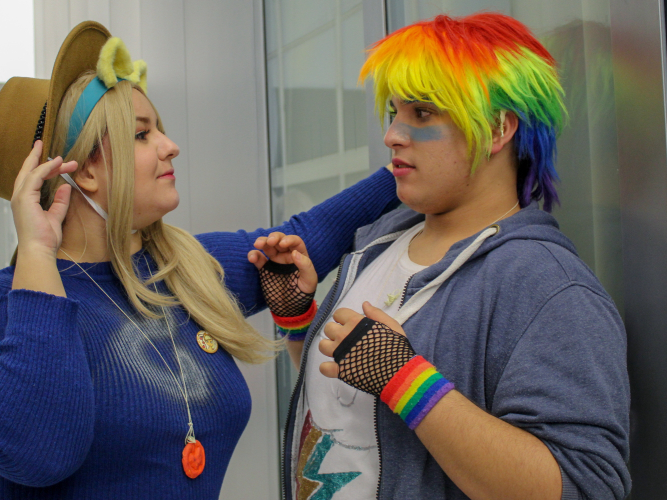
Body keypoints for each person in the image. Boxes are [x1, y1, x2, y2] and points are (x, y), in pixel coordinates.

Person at [0, 21, 400, 499]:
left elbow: (308, 235)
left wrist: (404, 170)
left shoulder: (185, 268)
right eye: (142, 134)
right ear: (85, 169)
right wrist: (37, 252)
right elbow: (39, 454)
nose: (170, 145)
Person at [265, 13, 631, 500]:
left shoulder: (548, 285)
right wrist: (298, 321)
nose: (393, 135)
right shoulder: (377, 243)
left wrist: (405, 380)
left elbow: (584, 486)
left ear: (497, 129)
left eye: (422, 114)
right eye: (393, 112)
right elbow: (342, 407)